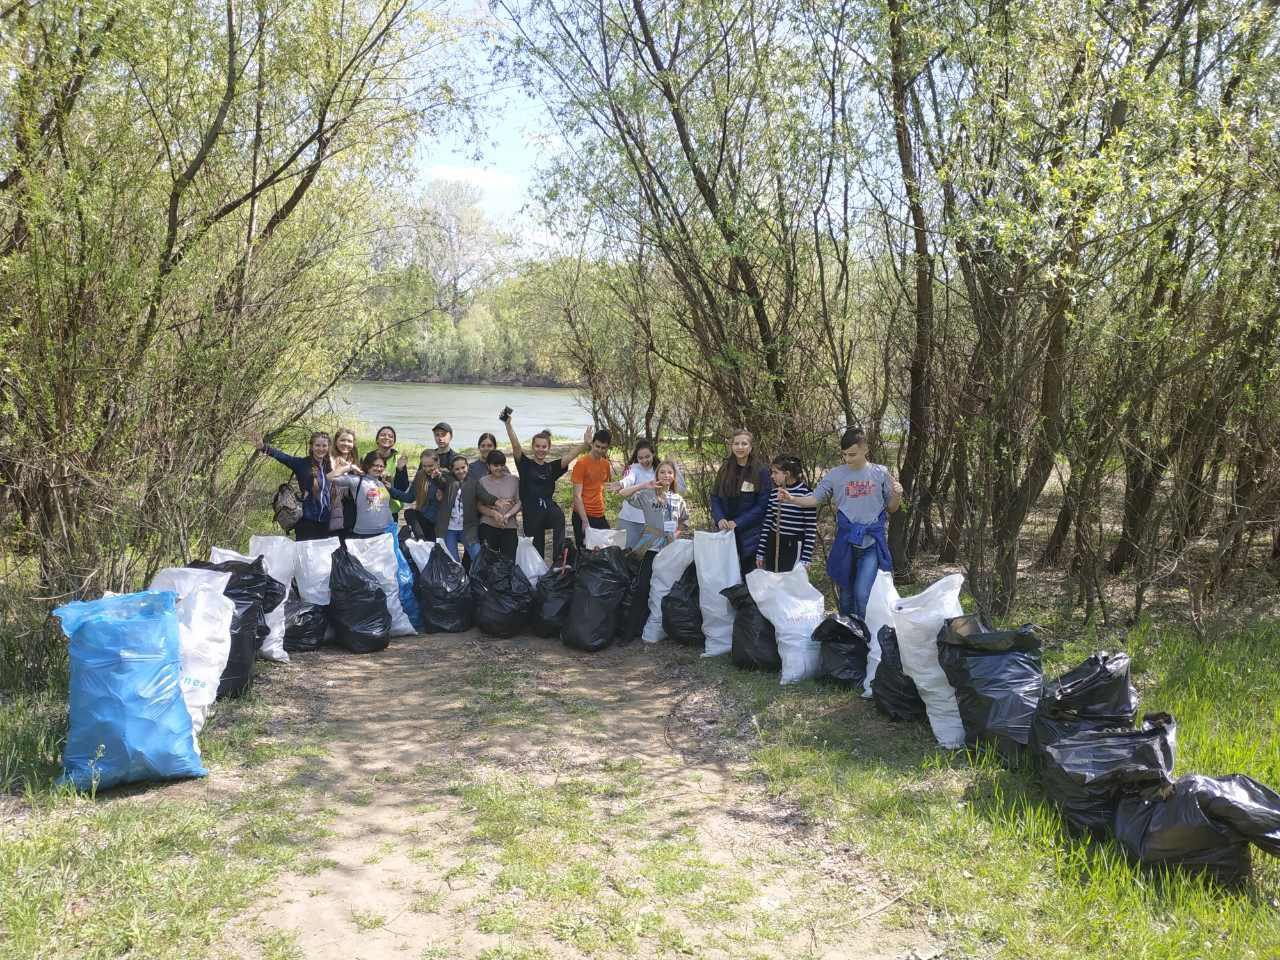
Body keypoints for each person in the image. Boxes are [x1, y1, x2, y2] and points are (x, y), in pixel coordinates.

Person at [780, 427, 903, 618]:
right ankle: (847, 631)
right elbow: (814, 499)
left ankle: (863, 632)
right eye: (844, 454)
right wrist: (792, 499)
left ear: (865, 449)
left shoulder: (880, 473)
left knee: (862, 594)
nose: (847, 459)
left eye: (852, 454)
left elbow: (892, 508)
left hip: (871, 544)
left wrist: (897, 494)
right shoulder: (835, 475)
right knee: (845, 595)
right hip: (846, 543)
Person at [617, 460, 689, 642]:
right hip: (650, 547)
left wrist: (675, 535)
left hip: (669, 550)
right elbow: (623, 493)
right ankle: (629, 632)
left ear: (674, 477)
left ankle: (662, 627)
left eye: (669, 473)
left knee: (665, 588)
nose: (666, 475)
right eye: (662, 472)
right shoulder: (647, 495)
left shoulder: (677, 499)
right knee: (642, 587)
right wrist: (644, 485)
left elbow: (684, 521)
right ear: (657, 475)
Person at [504, 414, 592, 564]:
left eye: (544, 447)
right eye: (537, 446)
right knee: (537, 553)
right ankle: (540, 574)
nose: (541, 449)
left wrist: (585, 444)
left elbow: (569, 457)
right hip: (532, 514)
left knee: (559, 517)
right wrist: (508, 425)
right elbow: (516, 446)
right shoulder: (525, 465)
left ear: (548, 448)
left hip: (548, 509)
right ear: (533, 447)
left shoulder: (551, 468)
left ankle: (558, 559)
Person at [709, 429, 773, 574]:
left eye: (744, 444)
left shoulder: (761, 471)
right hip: (726, 531)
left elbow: (763, 505)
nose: (740, 447)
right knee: (727, 575)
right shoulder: (725, 468)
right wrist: (720, 519)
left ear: (750, 447)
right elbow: (715, 497)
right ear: (731, 446)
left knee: (750, 576)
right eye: (736, 443)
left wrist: (738, 522)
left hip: (751, 534)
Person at [253, 431, 334, 541]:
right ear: (311, 446)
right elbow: (283, 457)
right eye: (317, 445)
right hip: (306, 521)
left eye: (324, 446)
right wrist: (263, 447)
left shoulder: (330, 466)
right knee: (304, 551)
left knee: (323, 551)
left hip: (325, 521)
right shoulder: (302, 464)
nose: (321, 449)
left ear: (328, 447)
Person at [328, 450, 414, 538]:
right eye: (375, 465)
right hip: (364, 533)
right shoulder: (357, 481)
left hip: (386, 532)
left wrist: (392, 527)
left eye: (381, 466)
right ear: (367, 465)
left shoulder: (382, 483)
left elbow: (386, 507)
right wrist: (350, 467)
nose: (379, 468)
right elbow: (329, 477)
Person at [755, 456, 816, 573]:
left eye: (775, 472)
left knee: (790, 580)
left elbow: (810, 528)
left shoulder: (806, 494)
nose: (772, 476)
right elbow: (768, 523)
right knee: (773, 578)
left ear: (787, 474)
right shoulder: (775, 493)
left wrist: (806, 558)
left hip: (793, 545)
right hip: (773, 542)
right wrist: (761, 552)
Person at [461, 433, 501, 562]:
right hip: (475, 514)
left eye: (490, 445)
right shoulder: (472, 468)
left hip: (496, 512)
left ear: (494, 447)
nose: (486, 448)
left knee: (492, 550)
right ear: (479, 447)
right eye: (483, 445)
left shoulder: (501, 467)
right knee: (473, 549)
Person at [570, 429, 614, 549]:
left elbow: (602, 486)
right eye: (597, 446)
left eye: (603, 448)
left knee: (607, 548)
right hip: (583, 515)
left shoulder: (605, 464)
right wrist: (585, 521)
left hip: (599, 514)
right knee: (585, 552)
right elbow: (577, 496)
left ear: (607, 448)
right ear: (592, 444)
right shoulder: (581, 463)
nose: (599, 450)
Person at [476, 450, 522, 561]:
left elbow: (519, 502)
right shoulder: (482, 482)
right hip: (488, 525)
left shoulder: (514, 480)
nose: (499, 468)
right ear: (488, 466)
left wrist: (507, 515)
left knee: (509, 560)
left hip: (509, 525)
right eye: (495, 465)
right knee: (489, 560)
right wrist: (493, 514)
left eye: (502, 465)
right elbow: (479, 506)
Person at [433, 454, 471, 563]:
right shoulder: (450, 481)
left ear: (468, 467)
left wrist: (495, 501)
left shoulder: (472, 482)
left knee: (476, 554)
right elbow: (442, 482)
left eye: (463, 467)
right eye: (457, 469)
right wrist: (437, 477)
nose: (461, 471)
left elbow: (483, 495)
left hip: (467, 528)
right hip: (450, 528)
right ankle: (459, 574)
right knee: (453, 560)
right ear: (452, 470)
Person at [403, 450, 445, 541]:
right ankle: (421, 539)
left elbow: (446, 488)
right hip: (424, 518)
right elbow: (409, 498)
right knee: (409, 513)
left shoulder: (445, 475)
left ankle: (423, 540)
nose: (427, 469)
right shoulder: (420, 476)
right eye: (424, 466)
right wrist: (390, 489)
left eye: (430, 466)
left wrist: (437, 479)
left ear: (437, 463)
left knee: (433, 545)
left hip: (439, 523)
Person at [329, 427, 359, 539]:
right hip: (333, 505)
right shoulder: (330, 460)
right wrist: (346, 468)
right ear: (336, 442)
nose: (346, 443)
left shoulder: (355, 460)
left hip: (351, 507)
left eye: (349, 441)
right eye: (342, 440)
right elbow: (328, 479)